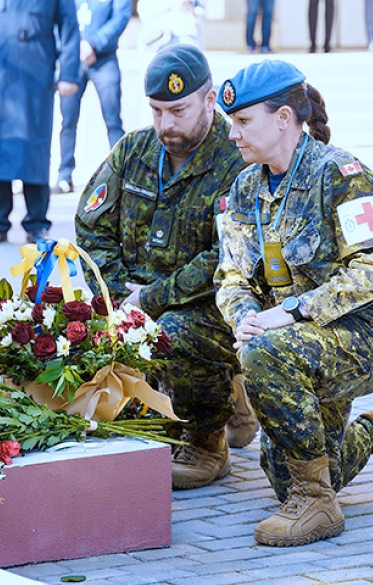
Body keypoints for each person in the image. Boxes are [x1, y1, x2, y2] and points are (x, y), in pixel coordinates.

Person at [214, 60, 373, 546]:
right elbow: (230, 275)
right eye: (232, 123)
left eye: (243, 121)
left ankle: (317, 505)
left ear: (283, 118)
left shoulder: (342, 175)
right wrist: (246, 318)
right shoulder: (245, 188)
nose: (232, 134)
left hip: (371, 333)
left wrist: (291, 312)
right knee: (283, 473)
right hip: (296, 340)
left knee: (264, 356)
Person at [75, 45, 259, 490]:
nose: (166, 125)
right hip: (134, 297)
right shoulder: (134, 150)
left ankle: (207, 440)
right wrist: (117, 294)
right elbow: (91, 226)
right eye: (157, 111)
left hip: (210, 306)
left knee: (174, 331)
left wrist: (151, 300)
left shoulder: (238, 161)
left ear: (210, 100)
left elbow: (228, 254)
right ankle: (219, 397)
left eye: (178, 110)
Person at [0, 0, 81, 246]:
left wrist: (69, 73)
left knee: (35, 147)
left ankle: (37, 223)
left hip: (35, 70)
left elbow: (70, 25)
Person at [54, 0, 133, 195]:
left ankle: (122, 175)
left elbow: (121, 17)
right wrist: (73, 47)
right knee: (68, 121)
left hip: (104, 60)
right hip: (72, 60)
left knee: (113, 120)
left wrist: (94, 43)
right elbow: (57, 16)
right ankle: (65, 175)